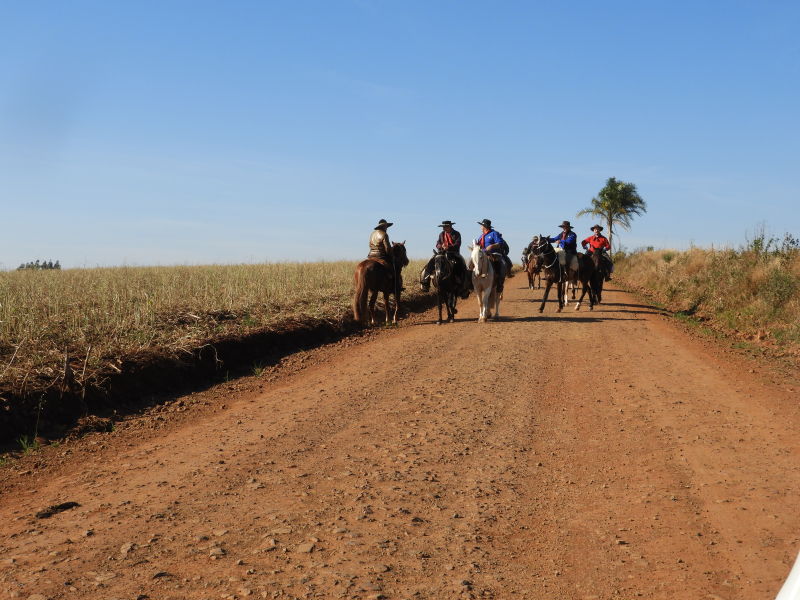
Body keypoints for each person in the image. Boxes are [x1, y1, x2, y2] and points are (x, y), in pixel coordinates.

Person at [420, 221, 470, 298]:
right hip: (441, 253)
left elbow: (458, 243)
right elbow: (437, 243)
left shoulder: (456, 234)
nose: (443, 228)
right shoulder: (441, 234)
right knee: (430, 263)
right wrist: (441, 246)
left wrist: (449, 247)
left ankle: (463, 286)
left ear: (449, 226)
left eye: (445, 227)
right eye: (443, 227)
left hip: (453, 253)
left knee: (461, 265)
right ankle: (425, 282)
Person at [477, 219, 514, 286]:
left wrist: (492, 246)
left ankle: (500, 280)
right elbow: (478, 246)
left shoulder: (494, 233)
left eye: (481, 226)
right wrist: (474, 245)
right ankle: (470, 282)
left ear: (484, 226)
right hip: (482, 254)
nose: (480, 227)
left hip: (494, 253)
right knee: (470, 262)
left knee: (504, 264)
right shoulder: (480, 236)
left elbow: (500, 243)